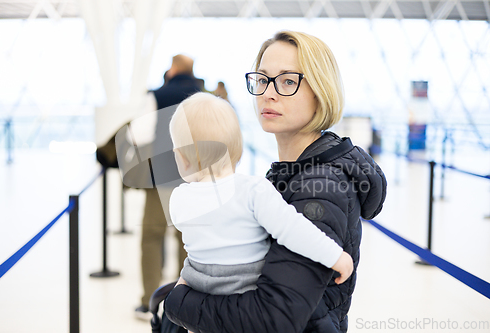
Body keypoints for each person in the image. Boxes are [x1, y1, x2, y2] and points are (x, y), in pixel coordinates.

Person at [163, 31, 387, 332]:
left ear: (320, 90)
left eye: (288, 81)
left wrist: (176, 303)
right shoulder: (286, 174)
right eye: (262, 79)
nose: (269, 93)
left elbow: (272, 319)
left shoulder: (322, 187)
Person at [168, 92, 353, 299]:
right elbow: (293, 230)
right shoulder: (254, 190)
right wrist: (335, 256)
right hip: (246, 290)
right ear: (237, 148)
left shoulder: (179, 199)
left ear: (182, 159)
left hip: (198, 287)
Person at [135, 54, 202, 320]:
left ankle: (149, 300)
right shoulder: (202, 97)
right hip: (195, 177)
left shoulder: (157, 96)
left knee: (152, 236)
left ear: (172, 69)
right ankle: (188, 296)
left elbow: (140, 135)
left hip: (160, 176)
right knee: (188, 238)